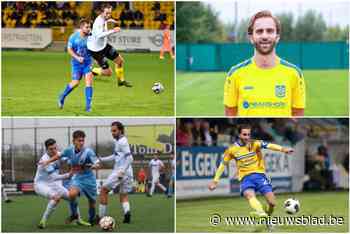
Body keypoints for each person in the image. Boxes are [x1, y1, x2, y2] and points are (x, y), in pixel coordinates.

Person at [224, 10, 305, 117]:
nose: (264, 36)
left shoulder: (294, 73)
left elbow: (298, 114)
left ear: (277, 37)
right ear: (251, 38)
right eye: (259, 31)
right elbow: (230, 112)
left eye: (270, 31)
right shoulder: (235, 73)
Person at [208, 124, 294, 223]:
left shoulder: (255, 143)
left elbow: (269, 145)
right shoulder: (232, 150)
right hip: (245, 178)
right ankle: (261, 212)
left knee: (272, 203)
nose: (247, 137)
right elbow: (223, 165)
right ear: (239, 135)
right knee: (249, 194)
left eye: (248, 134)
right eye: (244, 134)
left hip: (259, 175)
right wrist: (215, 181)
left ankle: (266, 217)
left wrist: (283, 149)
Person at [41, 131, 101, 225]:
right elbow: (58, 156)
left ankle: (92, 218)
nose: (81, 143)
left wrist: (93, 166)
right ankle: (74, 215)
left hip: (89, 179)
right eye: (79, 140)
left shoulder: (88, 152)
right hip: (77, 178)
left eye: (83, 140)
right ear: (74, 141)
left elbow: (97, 164)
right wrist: (48, 161)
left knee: (92, 202)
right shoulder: (69, 150)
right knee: (72, 194)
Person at [35, 138, 88, 228]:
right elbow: (54, 177)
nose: (54, 151)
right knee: (56, 198)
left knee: (72, 196)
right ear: (46, 149)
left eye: (55, 148)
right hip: (41, 184)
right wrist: (68, 175)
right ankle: (43, 221)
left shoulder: (58, 154)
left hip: (54, 184)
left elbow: (69, 160)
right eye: (51, 149)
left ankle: (78, 220)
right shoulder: (44, 160)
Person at [87, 3, 132, 87]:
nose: (108, 15)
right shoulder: (98, 22)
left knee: (120, 61)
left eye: (110, 13)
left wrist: (109, 21)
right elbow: (99, 35)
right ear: (101, 13)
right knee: (108, 73)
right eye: (107, 13)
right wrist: (113, 30)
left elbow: (105, 23)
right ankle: (92, 71)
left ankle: (120, 81)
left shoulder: (104, 19)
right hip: (96, 50)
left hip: (103, 46)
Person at [98, 121, 133, 224]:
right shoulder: (119, 141)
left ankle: (101, 218)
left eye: (114, 131)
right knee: (123, 195)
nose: (112, 133)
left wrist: (122, 170)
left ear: (120, 130)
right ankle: (127, 214)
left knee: (103, 190)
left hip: (120, 172)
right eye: (111, 131)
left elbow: (130, 158)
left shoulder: (122, 142)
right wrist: (102, 159)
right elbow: (115, 156)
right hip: (128, 172)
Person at [58, 19, 94, 112]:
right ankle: (62, 96)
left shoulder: (92, 36)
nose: (89, 29)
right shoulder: (74, 37)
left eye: (90, 27)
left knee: (89, 82)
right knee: (75, 83)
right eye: (87, 27)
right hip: (76, 63)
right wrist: (77, 58)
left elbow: (95, 49)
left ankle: (88, 106)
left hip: (87, 62)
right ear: (81, 27)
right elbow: (69, 49)